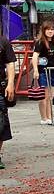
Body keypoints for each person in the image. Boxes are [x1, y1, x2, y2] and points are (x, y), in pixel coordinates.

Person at [32, 21, 54, 125]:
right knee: (44, 97)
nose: (50, 31)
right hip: (43, 71)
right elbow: (35, 56)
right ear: (44, 30)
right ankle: (44, 118)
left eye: (52, 29)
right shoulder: (40, 42)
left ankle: (50, 117)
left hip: (53, 71)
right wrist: (35, 70)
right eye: (48, 29)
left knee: (51, 96)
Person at [0, 33, 16, 169]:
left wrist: (10, 83)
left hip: (0, 86)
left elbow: (10, 63)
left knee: (1, 123)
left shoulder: (3, 40)